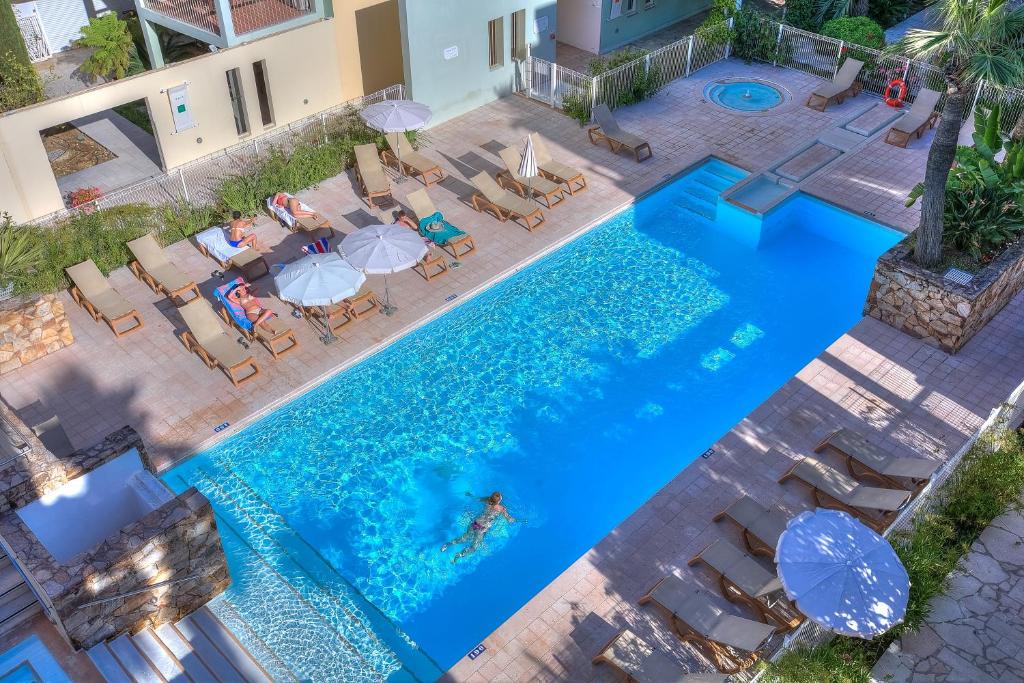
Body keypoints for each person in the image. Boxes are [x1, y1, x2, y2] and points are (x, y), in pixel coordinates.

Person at [441, 492, 515, 562]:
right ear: (498, 501)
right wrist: (513, 519)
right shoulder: (501, 509)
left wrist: (470, 495)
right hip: (482, 529)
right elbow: (509, 519)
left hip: (475, 523)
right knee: (473, 548)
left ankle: (447, 545)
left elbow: (477, 498)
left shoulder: (487, 499)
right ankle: (458, 556)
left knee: (465, 537)